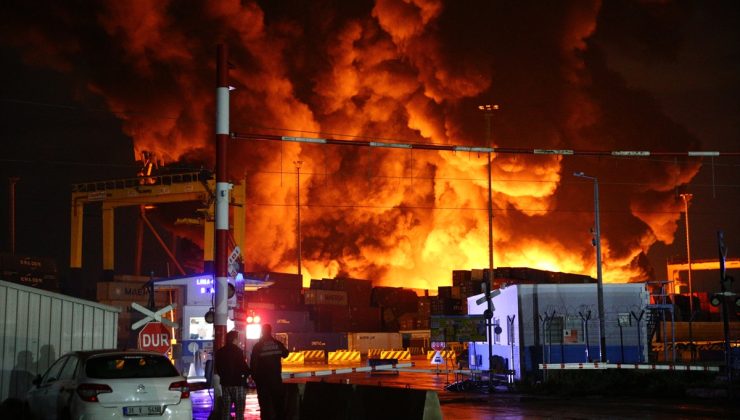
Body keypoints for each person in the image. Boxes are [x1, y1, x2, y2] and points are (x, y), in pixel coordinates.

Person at [250, 324, 289, 420]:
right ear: (270, 331)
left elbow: (253, 363)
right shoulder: (277, 343)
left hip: (262, 381)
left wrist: (255, 378)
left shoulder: (258, 346)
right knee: (278, 404)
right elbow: (286, 354)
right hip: (276, 379)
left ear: (262, 331)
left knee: (264, 405)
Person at [214, 330, 251, 420]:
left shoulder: (219, 352)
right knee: (239, 411)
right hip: (237, 384)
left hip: (225, 384)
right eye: (237, 339)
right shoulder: (238, 351)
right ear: (234, 339)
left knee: (226, 410)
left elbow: (217, 368)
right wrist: (247, 374)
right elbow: (243, 366)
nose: (238, 341)